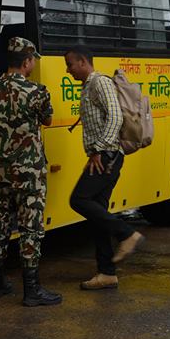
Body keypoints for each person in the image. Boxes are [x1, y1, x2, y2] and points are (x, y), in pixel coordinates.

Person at [0, 37, 61, 307]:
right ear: (26, 61)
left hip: (1, 171)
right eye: (33, 59)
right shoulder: (38, 91)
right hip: (30, 172)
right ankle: (32, 289)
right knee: (30, 228)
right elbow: (47, 120)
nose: (34, 64)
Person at [64, 46, 144, 291]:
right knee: (96, 212)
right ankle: (107, 273)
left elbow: (116, 117)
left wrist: (99, 149)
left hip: (107, 155)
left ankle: (127, 233)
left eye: (70, 64)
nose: (68, 70)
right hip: (102, 154)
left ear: (83, 61)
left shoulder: (100, 83)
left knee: (78, 199)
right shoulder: (87, 86)